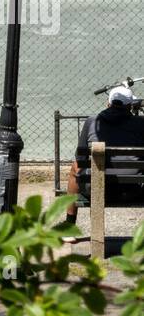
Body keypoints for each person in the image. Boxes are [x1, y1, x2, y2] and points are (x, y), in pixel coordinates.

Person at [65, 85, 144, 223]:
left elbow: (80, 157)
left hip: (97, 190)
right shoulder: (141, 123)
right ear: (130, 105)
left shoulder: (92, 122)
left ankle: (69, 225)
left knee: (75, 166)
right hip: (133, 191)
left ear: (108, 103)